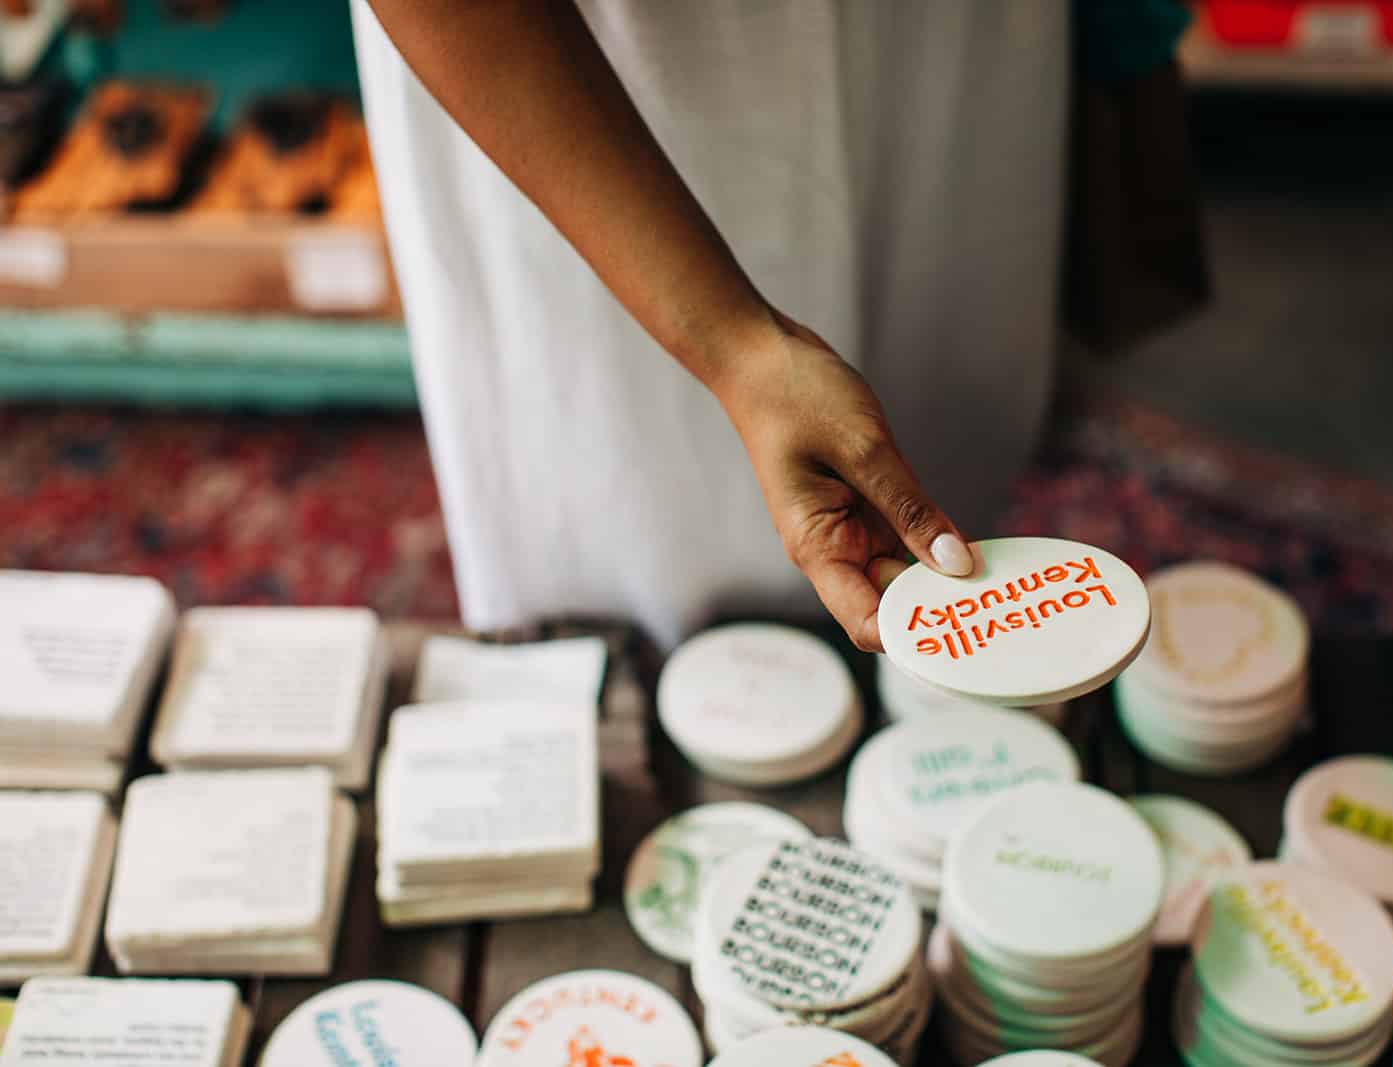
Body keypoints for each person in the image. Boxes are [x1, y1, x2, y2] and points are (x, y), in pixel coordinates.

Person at [351, 1, 1068, 652]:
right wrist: (742, 350)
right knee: (629, 486)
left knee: (929, 391)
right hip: (576, 73)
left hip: (937, 38)